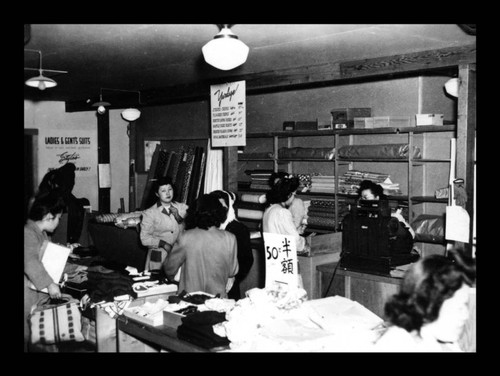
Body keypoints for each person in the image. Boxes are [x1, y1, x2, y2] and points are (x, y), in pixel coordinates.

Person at [373, 249, 475, 352]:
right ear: (427, 304)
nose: (465, 315)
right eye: (458, 308)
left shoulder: (446, 343)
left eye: (465, 305)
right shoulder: (397, 345)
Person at [163, 194, 239, 298]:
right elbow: (233, 271)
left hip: (190, 299)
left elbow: (169, 268)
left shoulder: (185, 237)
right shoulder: (230, 238)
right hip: (218, 301)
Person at [24, 192, 66, 352]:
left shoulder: (40, 233)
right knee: (28, 335)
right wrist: (49, 284)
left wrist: (76, 268)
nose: (58, 222)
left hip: (33, 293)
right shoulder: (28, 233)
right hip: (27, 294)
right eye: (58, 218)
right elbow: (30, 261)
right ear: (49, 216)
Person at [210, 190, 253, 300]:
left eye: (223, 206)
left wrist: (233, 278)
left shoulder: (239, 229)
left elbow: (246, 260)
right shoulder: (207, 226)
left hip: (229, 285)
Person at [140, 176, 188, 271]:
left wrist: (178, 216)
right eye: (163, 191)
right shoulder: (149, 213)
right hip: (159, 254)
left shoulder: (182, 208)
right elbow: (144, 239)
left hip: (177, 254)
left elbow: (190, 227)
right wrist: (163, 244)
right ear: (157, 194)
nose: (167, 193)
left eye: (170, 189)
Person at [262, 172, 310, 255]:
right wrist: (304, 244)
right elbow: (294, 238)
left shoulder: (270, 209)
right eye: (293, 194)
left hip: (273, 255)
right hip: (284, 255)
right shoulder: (282, 212)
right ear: (288, 195)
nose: (294, 197)